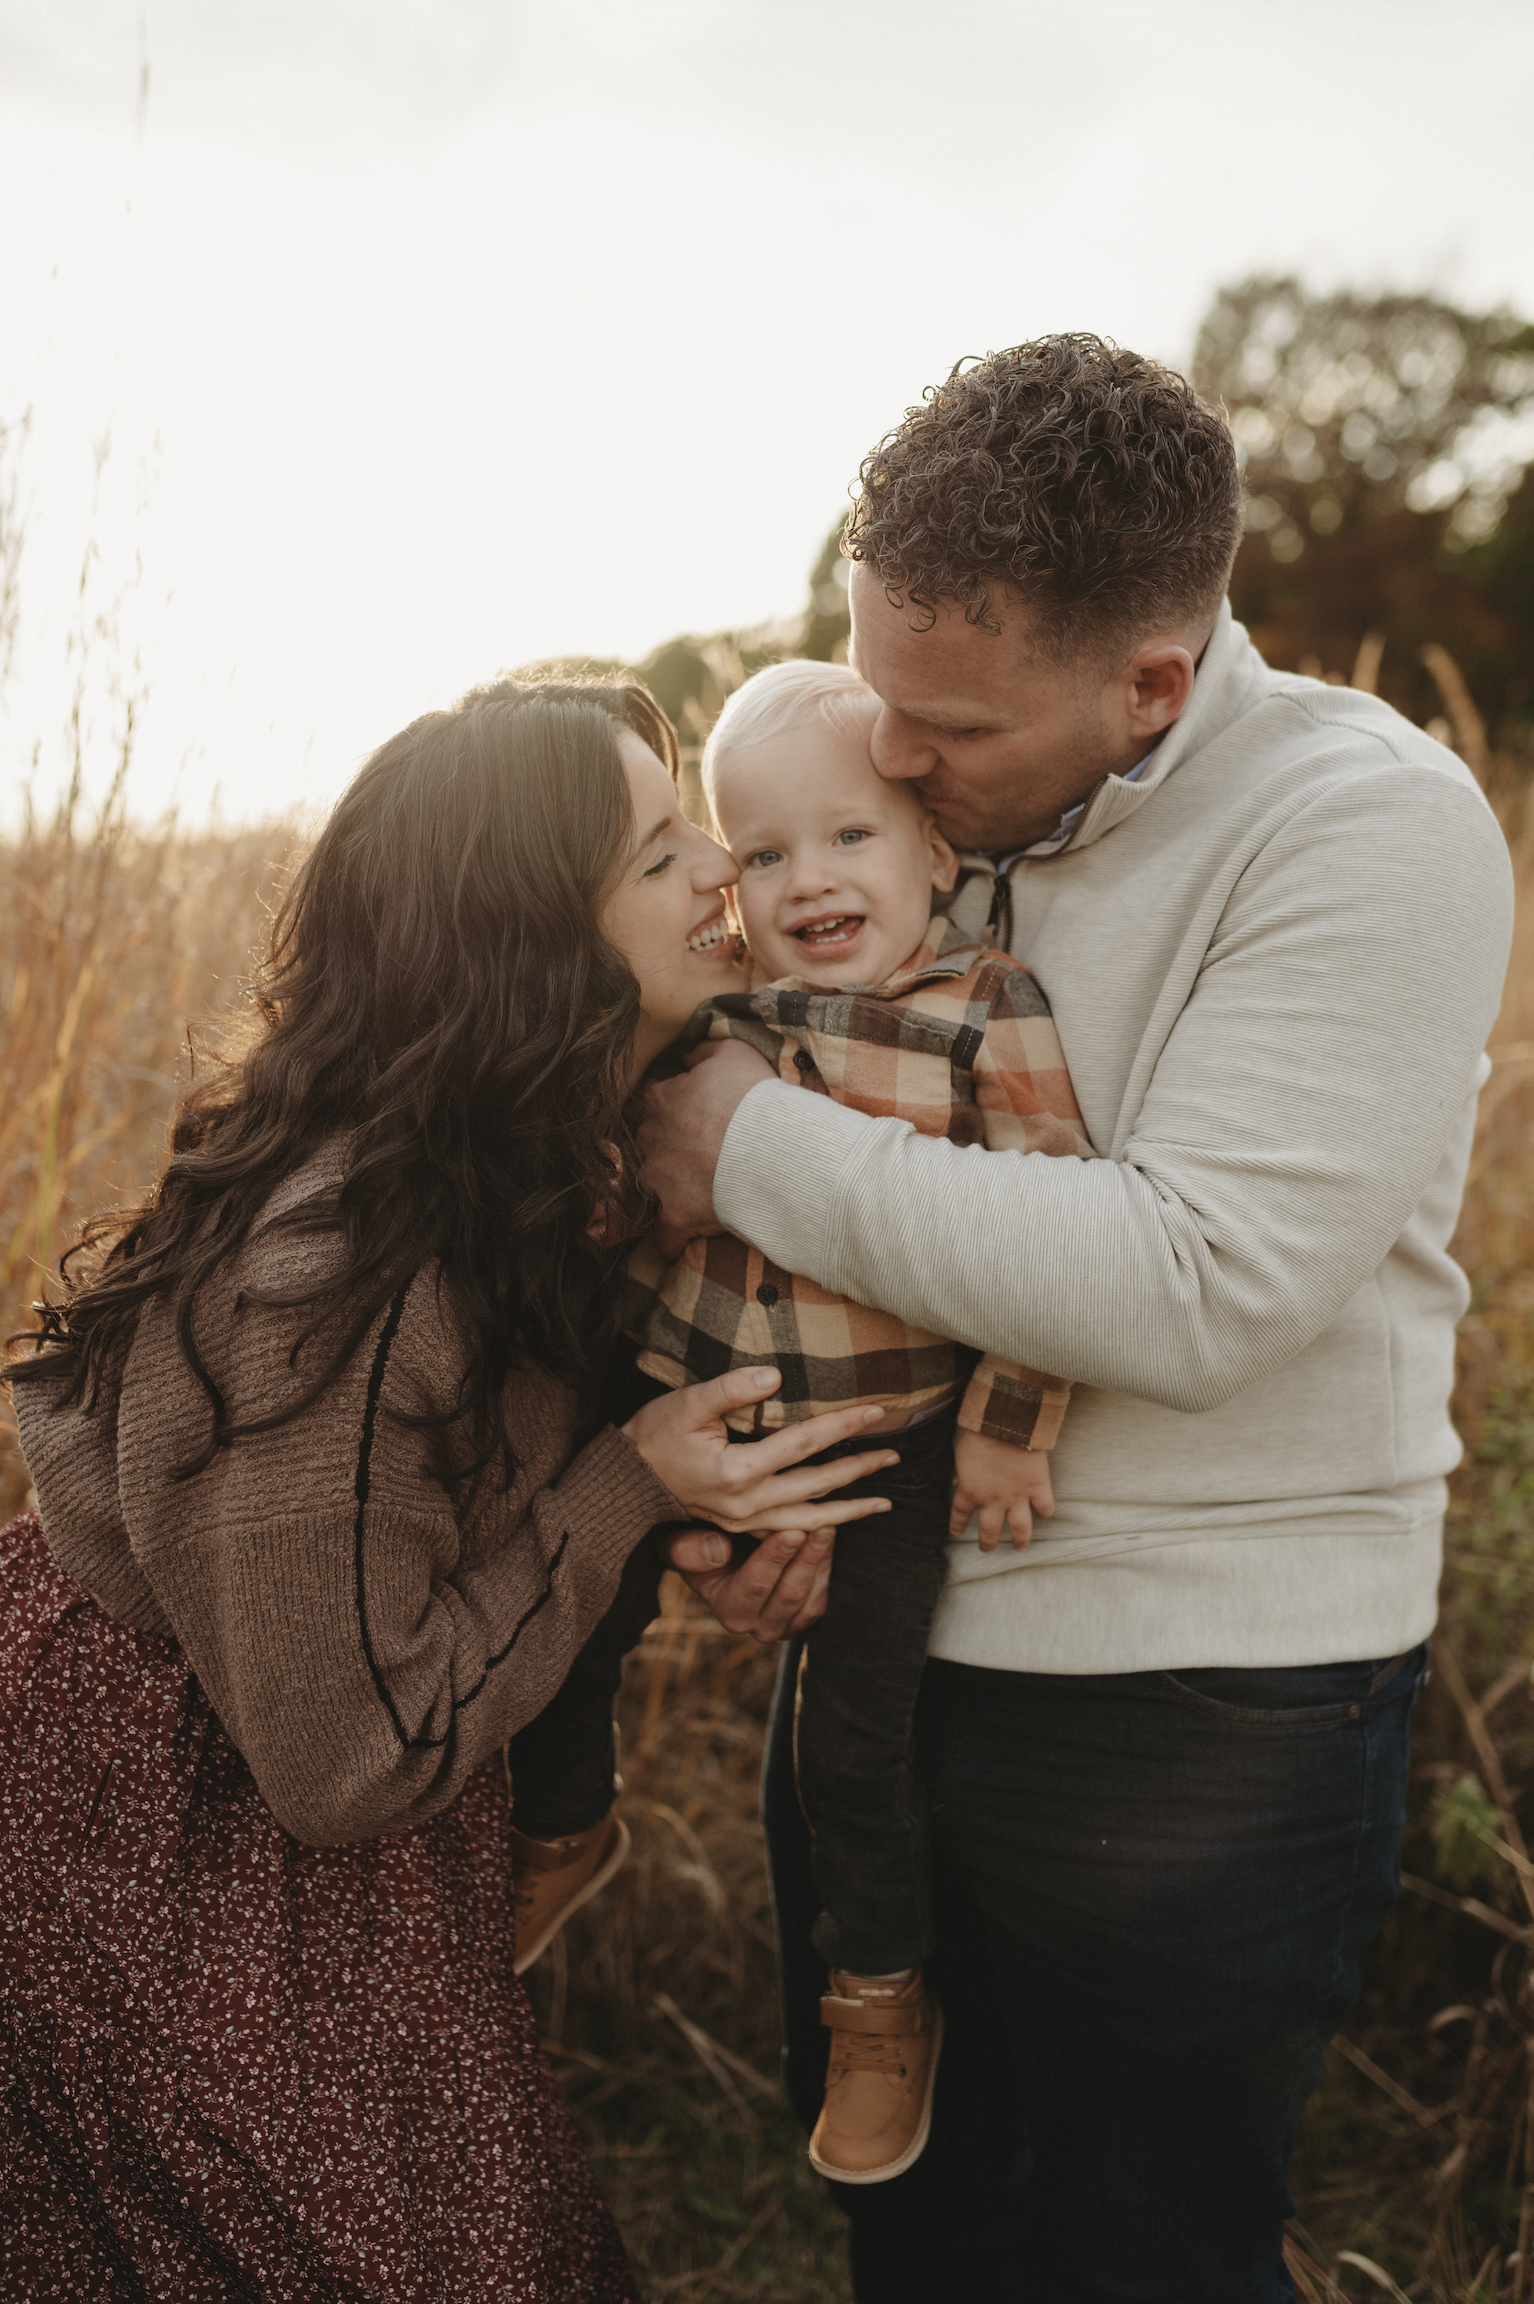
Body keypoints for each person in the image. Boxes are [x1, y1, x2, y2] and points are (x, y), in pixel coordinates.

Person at [637, 337, 1516, 2301]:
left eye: (941, 725)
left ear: (1149, 683)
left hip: (1193, 1701)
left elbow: (1190, 1284)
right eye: (873, 693)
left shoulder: (1365, 829)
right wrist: (743, 1491)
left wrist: (740, 1142)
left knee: (1139, 2254)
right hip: (878, 1639)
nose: (887, 761)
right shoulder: (918, 815)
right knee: (913, 2236)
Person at [0, 677, 895, 2303]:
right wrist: (631, 1488)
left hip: (312, 1793)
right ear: (524, 938)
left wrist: (729, 1521)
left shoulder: (550, 1157)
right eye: (654, 851)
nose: (721, 868)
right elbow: (343, 1761)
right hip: (179, 1832)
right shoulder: (338, 1277)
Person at [513, 657, 1092, 2189]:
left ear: (934, 858)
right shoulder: (714, 1016)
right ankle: (564, 1827)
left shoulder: (986, 1011)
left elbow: (1055, 1228)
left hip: (883, 1444)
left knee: (857, 1746)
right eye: (761, 855)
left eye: (847, 839)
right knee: (572, 1623)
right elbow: (630, 1197)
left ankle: (878, 1999)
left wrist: (1007, 1424)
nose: (804, 879)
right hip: (683, 1399)